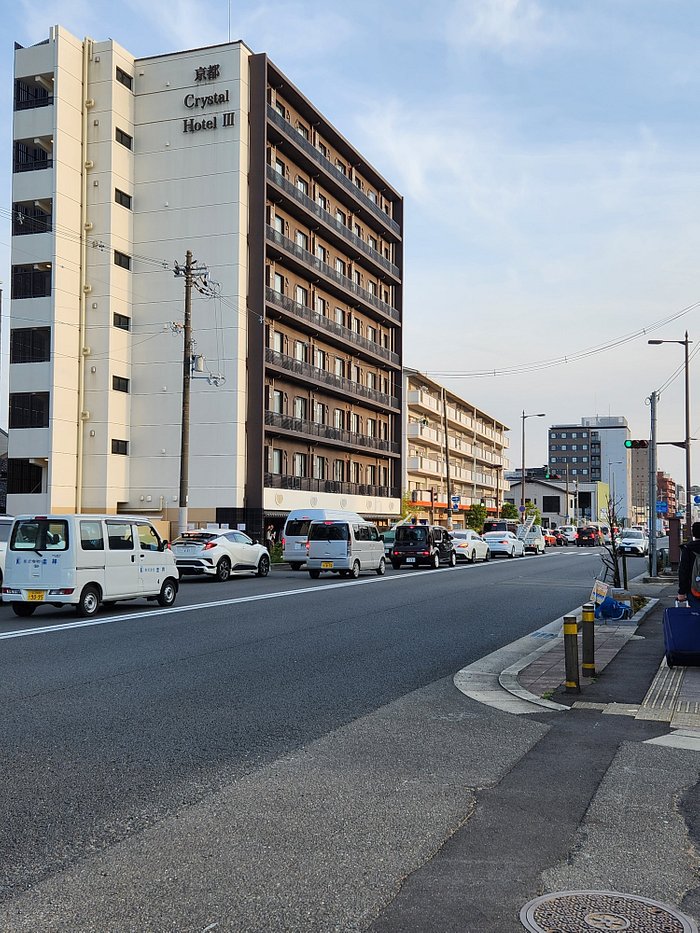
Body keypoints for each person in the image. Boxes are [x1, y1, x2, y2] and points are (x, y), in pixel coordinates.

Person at [677, 521, 700, 611]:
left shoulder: (688, 549)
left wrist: (681, 592)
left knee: (695, 617)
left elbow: (683, 571)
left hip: (693, 589)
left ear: (693, 533)